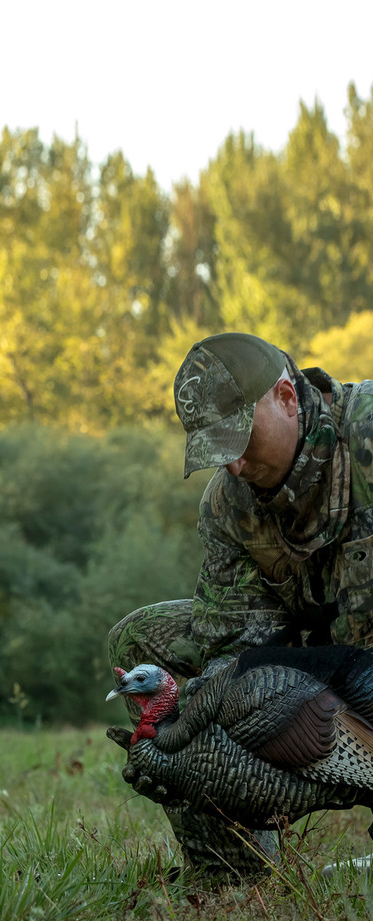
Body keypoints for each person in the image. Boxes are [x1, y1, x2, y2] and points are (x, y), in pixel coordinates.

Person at [108, 331, 373, 872]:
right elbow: (233, 648)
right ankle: (231, 870)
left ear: (286, 396)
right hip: (323, 676)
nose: (232, 466)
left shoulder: (366, 431)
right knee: (147, 645)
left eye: (240, 440)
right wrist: (189, 749)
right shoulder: (229, 504)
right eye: (216, 450)